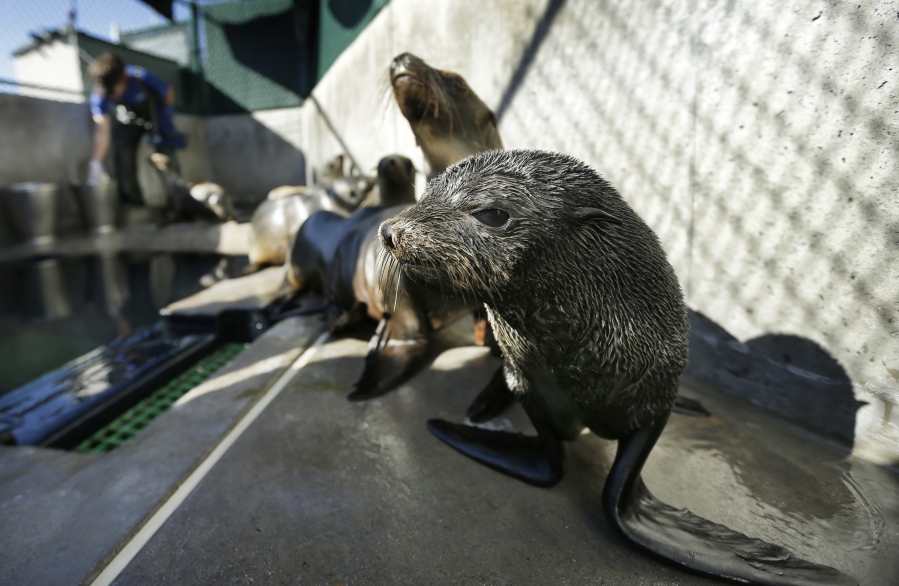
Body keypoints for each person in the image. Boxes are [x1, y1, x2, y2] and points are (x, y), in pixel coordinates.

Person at [88, 52, 186, 206]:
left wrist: (162, 119)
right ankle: (134, 204)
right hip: (129, 118)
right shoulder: (101, 91)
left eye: (114, 90)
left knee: (167, 153)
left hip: (155, 113)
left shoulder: (139, 76)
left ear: (123, 76)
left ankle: (181, 201)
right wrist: (96, 162)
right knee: (123, 152)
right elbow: (102, 129)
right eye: (109, 93)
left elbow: (168, 93)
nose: (112, 95)